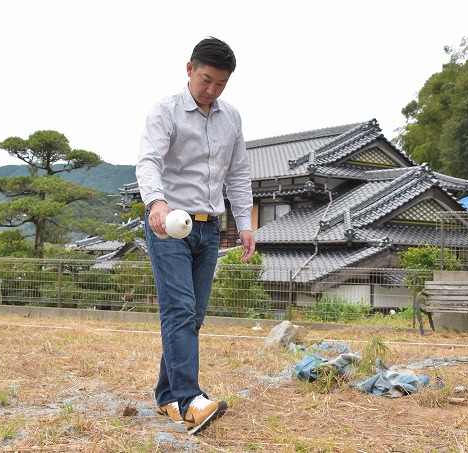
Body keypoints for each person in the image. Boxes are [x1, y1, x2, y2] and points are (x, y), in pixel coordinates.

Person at [136, 36, 256, 435]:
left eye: (221, 84)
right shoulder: (165, 112)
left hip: (210, 228)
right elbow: (149, 162)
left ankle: (166, 395)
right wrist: (155, 202)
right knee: (180, 311)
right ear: (190, 69)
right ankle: (190, 400)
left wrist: (244, 223)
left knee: (194, 316)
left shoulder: (231, 117)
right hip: (169, 225)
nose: (212, 90)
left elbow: (237, 173)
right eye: (206, 80)